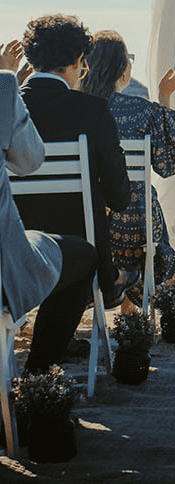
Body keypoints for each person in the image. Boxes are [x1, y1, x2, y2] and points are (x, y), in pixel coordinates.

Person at [13, 15, 133, 347]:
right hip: (76, 252)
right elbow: (119, 197)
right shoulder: (91, 111)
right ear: (79, 62)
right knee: (84, 256)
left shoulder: (8, 109)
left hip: (12, 249)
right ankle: (44, 367)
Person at [1, 67, 103, 375]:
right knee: (84, 256)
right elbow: (30, 160)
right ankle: (37, 378)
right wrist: (10, 91)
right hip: (5, 274)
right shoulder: (4, 86)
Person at [79, 31, 175, 310]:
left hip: (86, 222)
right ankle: (131, 317)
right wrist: (164, 96)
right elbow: (171, 164)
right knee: (142, 204)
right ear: (121, 69)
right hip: (136, 224)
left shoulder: (75, 111)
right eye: (129, 59)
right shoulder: (143, 110)